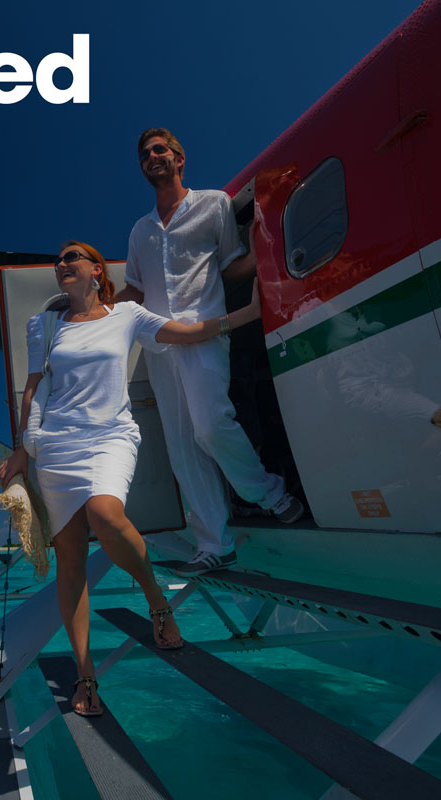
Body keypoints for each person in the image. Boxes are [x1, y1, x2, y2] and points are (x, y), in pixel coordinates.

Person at [0, 240, 263, 717]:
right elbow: (35, 386)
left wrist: (243, 316)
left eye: (72, 257)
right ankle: (86, 674)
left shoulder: (127, 315)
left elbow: (183, 332)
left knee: (105, 512)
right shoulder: (46, 325)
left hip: (110, 437)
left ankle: (155, 598)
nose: (62, 265)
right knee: (71, 562)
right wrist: (22, 448)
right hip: (57, 446)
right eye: (59, 260)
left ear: (97, 271)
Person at [116, 127, 303, 577]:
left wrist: (270, 252)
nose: (152, 157)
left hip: (204, 334)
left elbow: (230, 266)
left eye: (160, 150)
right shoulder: (140, 230)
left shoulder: (214, 204)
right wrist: (91, 312)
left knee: (210, 424)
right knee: (182, 449)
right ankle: (215, 545)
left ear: (180, 159)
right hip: (159, 345)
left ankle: (269, 493)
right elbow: (136, 291)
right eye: (145, 154)